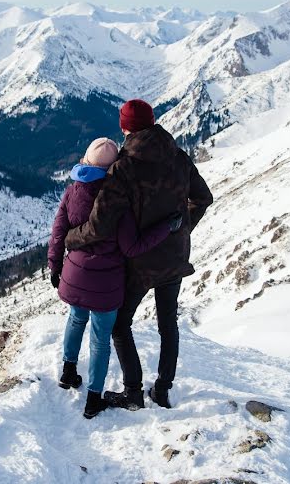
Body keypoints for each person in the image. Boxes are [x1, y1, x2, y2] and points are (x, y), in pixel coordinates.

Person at [65, 99, 213, 410]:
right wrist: (181, 229)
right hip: (174, 258)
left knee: (120, 325)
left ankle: (133, 392)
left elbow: (99, 225)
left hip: (140, 263)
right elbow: (203, 197)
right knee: (167, 324)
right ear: (153, 121)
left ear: (124, 127)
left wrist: (71, 238)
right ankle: (162, 388)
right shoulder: (178, 156)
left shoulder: (124, 168)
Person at [48, 137, 182, 419]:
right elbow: (133, 246)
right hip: (106, 284)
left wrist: (54, 266)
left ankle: (68, 372)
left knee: (75, 319)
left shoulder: (73, 191)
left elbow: (58, 231)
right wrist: (165, 228)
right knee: (99, 339)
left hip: (74, 273)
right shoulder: (118, 199)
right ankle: (93, 399)